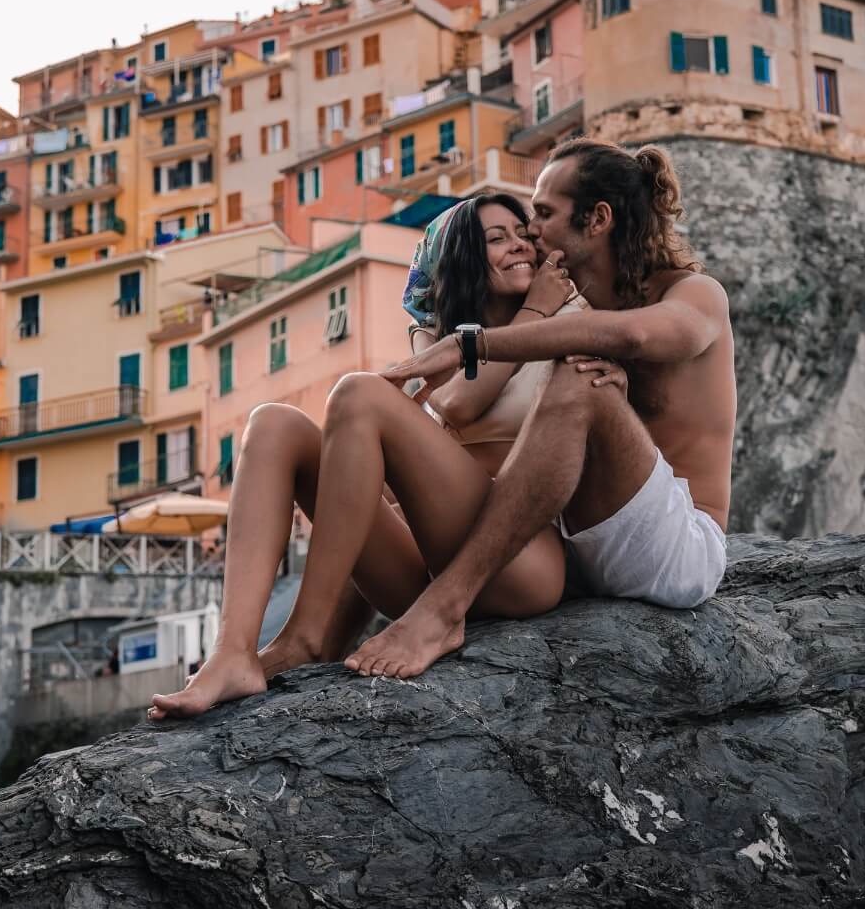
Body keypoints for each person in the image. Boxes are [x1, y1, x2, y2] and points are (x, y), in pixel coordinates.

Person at [148, 194, 622, 720]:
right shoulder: (442, 341)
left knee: (359, 393)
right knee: (271, 423)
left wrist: (535, 308)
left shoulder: (565, 314)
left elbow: (460, 404)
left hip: (520, 563)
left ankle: (305, 635)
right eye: (497, 238)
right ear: (465, 258)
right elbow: (381, 495)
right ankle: (233, 651)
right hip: (427, 574)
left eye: (522, 233)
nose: (520, 246)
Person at [344, 137, 735, 681]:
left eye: (545, 214)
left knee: (578, 378)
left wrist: (469, 344)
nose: (532, 230)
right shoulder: (586, 314)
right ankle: (315, 638)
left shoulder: (694, 294)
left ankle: (444, 608)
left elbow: (645, 338)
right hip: (582, 551)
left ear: (597, 219)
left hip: (677, 551)